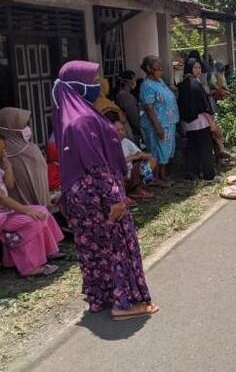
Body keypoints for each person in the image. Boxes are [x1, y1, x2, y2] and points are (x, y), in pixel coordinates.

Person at [52, 60, 158, 320]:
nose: (97, 85)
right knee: (119, 245)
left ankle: (102, 298)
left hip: (80, 195)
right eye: (91, 80)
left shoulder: (69, 115)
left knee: (94, 248)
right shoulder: (83, 119)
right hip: (97, 194)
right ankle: (123, 304)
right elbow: (97, 164)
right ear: (77, 85)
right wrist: (115, 198)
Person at [0, 134, 63, 277]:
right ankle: (30, 268)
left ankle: (48, 252)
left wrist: (7, 165)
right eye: (2, 148)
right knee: (32, 222)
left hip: (6, 212)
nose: (4, 150)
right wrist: (26, 210)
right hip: (2, 215)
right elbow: (2, 198)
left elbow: (9, 184)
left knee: (42, 211)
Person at [139, 55, 179, 186]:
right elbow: (149, 108)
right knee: (157, 151)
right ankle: (155, 179)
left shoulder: (159, 81)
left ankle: (163, 175)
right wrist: (158, 127)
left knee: (166, 151)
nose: (161, 70)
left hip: (168, 122)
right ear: (149, 68)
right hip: (157, 124)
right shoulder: (146, 85)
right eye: (158, 67)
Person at [0, 107, 49, 206]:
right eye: (23, 125)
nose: (26, 128)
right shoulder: (31, 150)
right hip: (15, 214)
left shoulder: (31, 150)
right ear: (9, 126)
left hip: (26, 212)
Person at [178, 59, 217, 181]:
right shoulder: (196, 84)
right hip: (201, 122)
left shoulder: (183, 85)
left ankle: (192, 174)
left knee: (192, 150)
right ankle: (208, 175)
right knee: (205, 149)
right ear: (190, 68)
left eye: (199, 68)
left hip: (188, 124)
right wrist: (211, 122)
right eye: (195, 68)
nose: (198, 70)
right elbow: (204, 105)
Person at [114, 121, 155, 201]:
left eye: (122, 129)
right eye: (117, 130)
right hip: (119, 175)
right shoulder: (109, 144)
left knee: (151, 161)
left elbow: (139, 153)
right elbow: (116, 161)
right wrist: (134, 157)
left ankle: (138, 188)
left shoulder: (126, 141)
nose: (121, 132)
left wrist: (144, 155)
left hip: (130, 173)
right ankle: (126, 194)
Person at [115, 70, 141, 140]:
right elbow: (134, 118)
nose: (134, 82)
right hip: (129, 131)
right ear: (129, 82)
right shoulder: (126, 97)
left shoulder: (120, 95)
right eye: (134, 80)